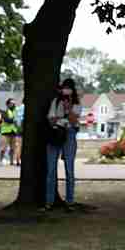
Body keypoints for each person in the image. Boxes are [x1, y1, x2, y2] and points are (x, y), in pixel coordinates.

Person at [44, 79, 81, 210]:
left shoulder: (76, 104)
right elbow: (51, 120)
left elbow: (74, 120)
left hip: (69, 134)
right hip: (55, 134)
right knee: (51, 170)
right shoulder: (56, 101)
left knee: (69, 170)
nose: (66, 91)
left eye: (69, 88)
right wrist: (61, 119)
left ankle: (69, 201)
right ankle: (49, 202)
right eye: (64, 88)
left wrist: (68, 108)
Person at [0, 98, 20, 165]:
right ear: (7, 104)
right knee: (3, 148)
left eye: (14, 103)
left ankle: (11, 161)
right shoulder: (4, 111)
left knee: (13, 148)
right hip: (5, 132)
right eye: (11, 103)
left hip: (14, 132)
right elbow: (7, 120)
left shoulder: (16, 110)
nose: (13, 104)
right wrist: (14, 120)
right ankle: (1, 161)